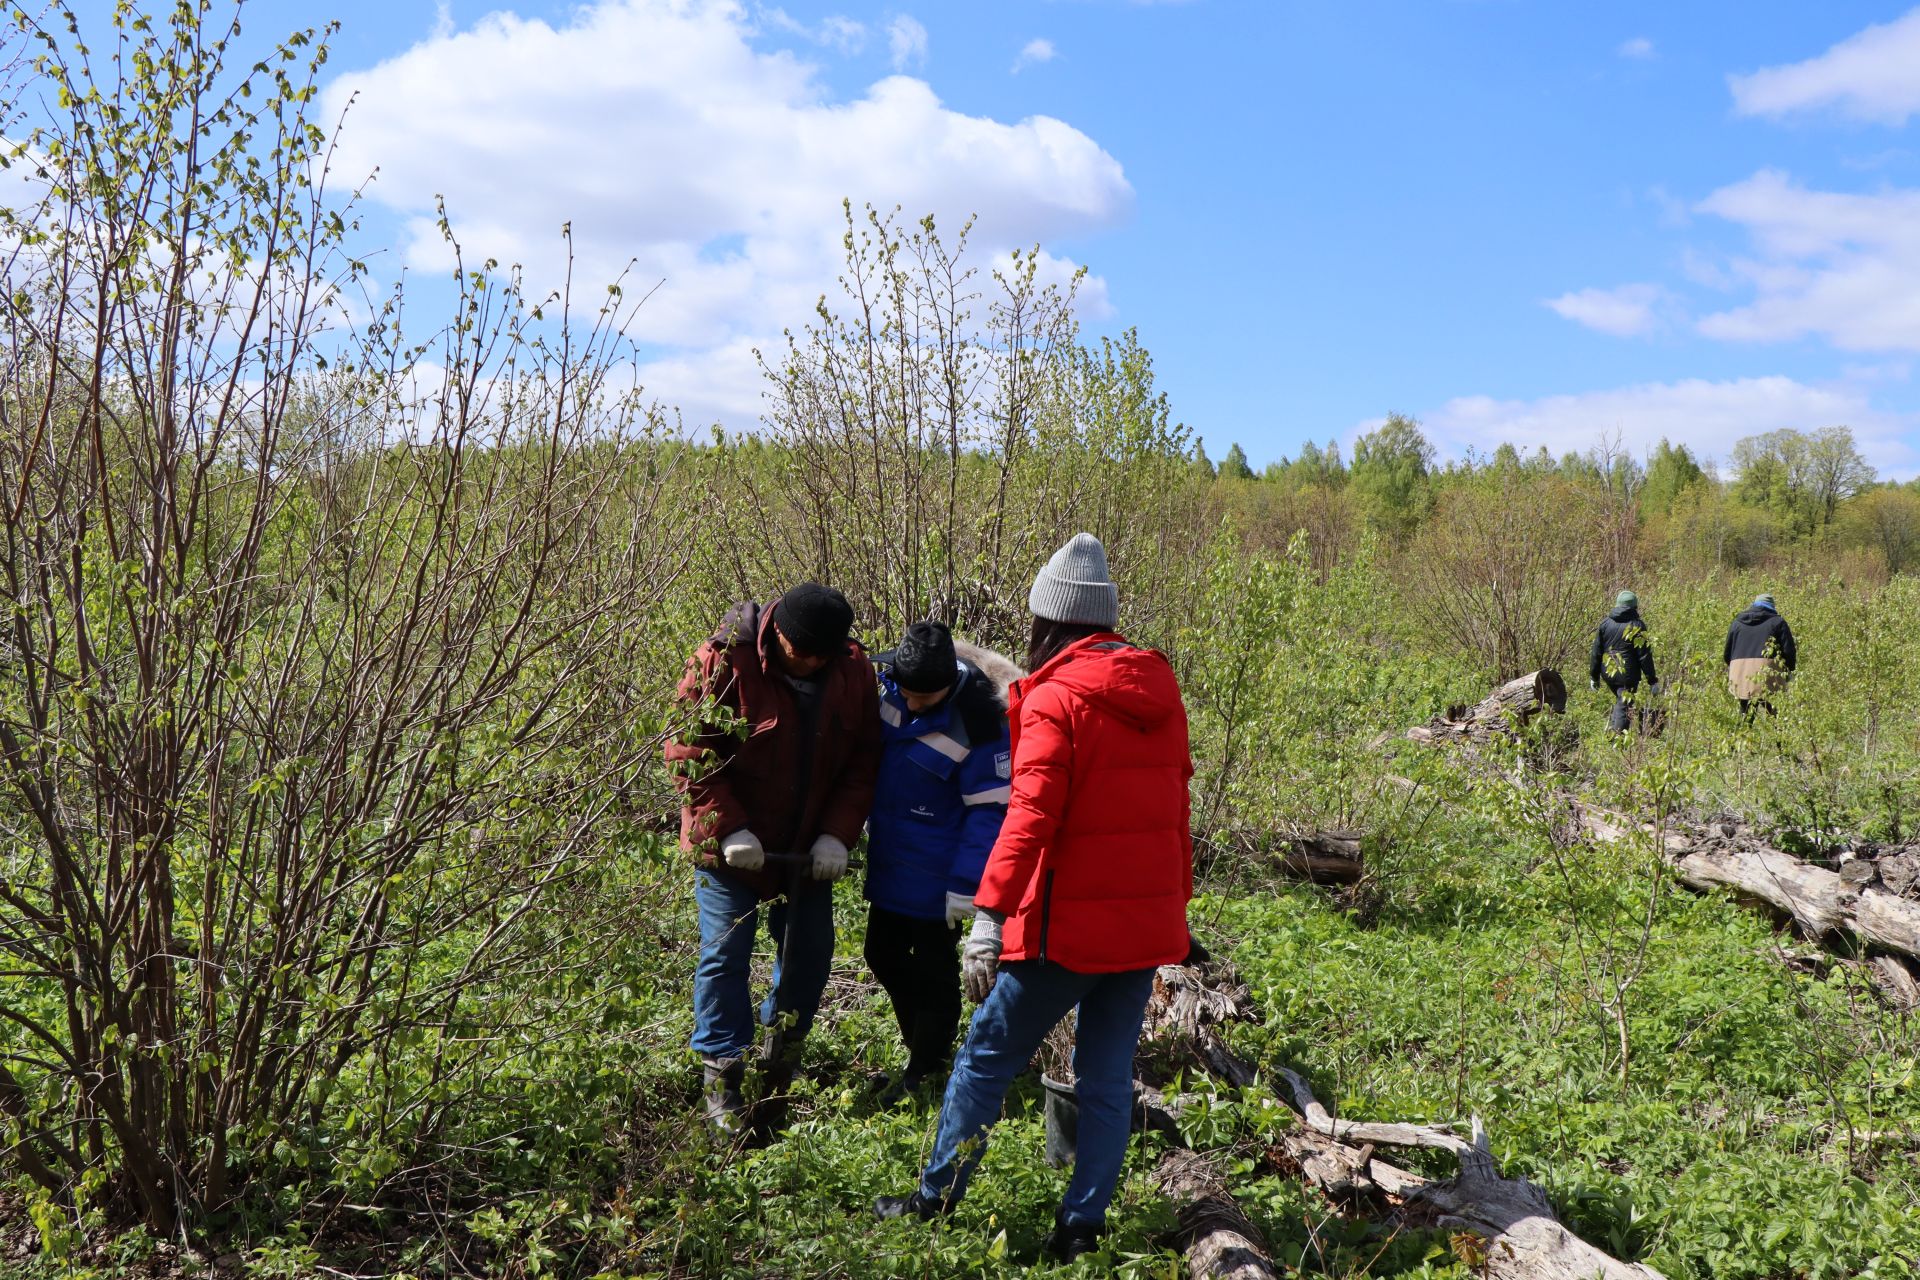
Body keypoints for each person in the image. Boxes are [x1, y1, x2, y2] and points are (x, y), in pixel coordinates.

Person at [874, 533, 1194, 1264]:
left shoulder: (1056, 697)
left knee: (985, 1055)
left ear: (1050, 622)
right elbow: (1177, 811)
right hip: (1143, 928)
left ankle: (936, 1200)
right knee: (1107, 1081)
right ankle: (1081, 1227)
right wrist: (1174, 913)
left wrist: (989, 915)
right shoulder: (1160, 689)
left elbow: (1028, 817)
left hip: (1067, 931)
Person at [664, 583, 881, 1136]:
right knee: (725, 956)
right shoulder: (720, 660)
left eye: (820, 657)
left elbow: (863, 761)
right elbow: (689, 752)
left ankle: (778, 1065)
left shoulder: (852, 670)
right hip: (729, 847)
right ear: (777, 630)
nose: (809, 663)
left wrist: (837, 835)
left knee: (809, 954)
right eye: (800, 652)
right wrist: (729, 826)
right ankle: (722, 1075)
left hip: (807, 850)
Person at [863, 620, 1012, 1104]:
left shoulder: (980, 721)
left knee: (934, 972)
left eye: (922, 700)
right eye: (904, 693)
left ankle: (926, 1064)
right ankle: (923, 1049)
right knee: (879, 955)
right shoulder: (888, 689)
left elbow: (990, 812)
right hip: (891, 861)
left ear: (947, 685)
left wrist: (968, 886)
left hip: (942, 876)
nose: (909, 705)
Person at [1588, 589, 1659, 734]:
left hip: (1608, 671)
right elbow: (1644, 656)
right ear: (1635, 607)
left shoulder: (1605, 623)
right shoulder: (1637, 625)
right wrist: (1652, 680)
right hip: (1627, 674)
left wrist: (1594, 677)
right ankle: (1617, 738)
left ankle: (1613, 735)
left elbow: (1596, 652)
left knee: (1622, 701)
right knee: (1625, 702)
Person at [1724, 593, 1797, 721]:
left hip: (1741, 676)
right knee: (1775, 719)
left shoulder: (1736, 623)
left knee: (1745, 718)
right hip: (1768, 676)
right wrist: (1788, 671)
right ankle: (1778, 740)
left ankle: (1744, 737)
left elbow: (1727, 655)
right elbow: (1789, 652)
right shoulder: (1778, 622)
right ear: (1772, 607)